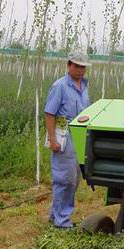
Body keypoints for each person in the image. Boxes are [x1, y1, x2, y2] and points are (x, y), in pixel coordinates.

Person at [44, 51, 91, 229]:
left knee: (74, 178)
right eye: (77, 66)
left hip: (79, 136)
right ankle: (62, 221)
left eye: (83, 67)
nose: (80, 70)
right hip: (64, 135)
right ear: (69, 65)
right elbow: (49, 113)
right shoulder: (60, 86)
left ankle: (56, 215)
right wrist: (53, 139)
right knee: (64, 178)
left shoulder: (84, 86)